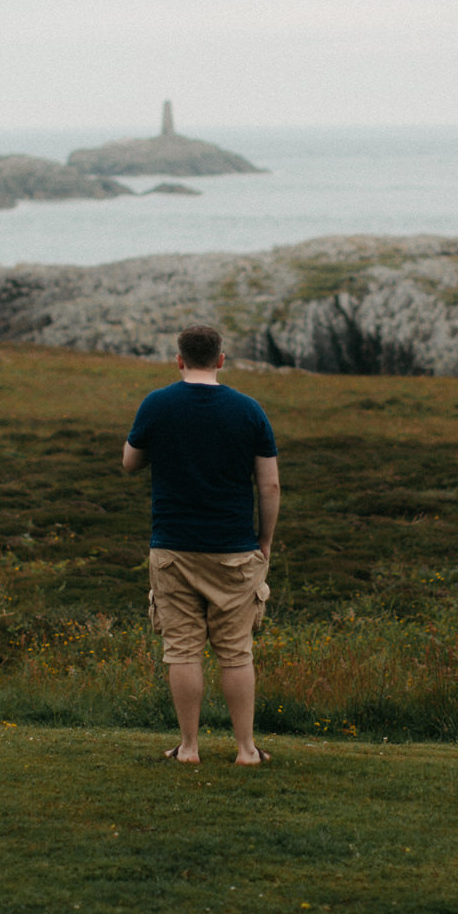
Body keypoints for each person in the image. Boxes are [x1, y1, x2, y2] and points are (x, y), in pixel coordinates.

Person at [121, 323, 279, 766]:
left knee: (182, 650)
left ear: (179, 359)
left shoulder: (157, 404)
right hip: (234, 548)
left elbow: (130, 462)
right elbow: (270, 487)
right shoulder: (249, 410)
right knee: (235, 652)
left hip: (173, 547)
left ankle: (189, 748)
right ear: (221, 360)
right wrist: (263, 541)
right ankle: (246, 750)